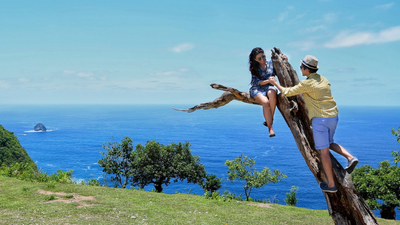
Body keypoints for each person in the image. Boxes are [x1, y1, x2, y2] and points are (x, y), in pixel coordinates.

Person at [269, 55, 358, 193]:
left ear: (306, 69)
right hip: (333, 116)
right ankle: (350, 157)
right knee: (329, 142)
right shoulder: (323, 79)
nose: (300, 69)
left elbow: (287, 92)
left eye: (301, 67)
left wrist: (275, 83)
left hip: (320, 120)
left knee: (324, 152)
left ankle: (331, 185)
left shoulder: (307, 84)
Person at [248, 47, 278, 137]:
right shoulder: (254, 68)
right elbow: (257, 82)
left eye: (263, 56)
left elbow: (280, 67)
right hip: (257, 88)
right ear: (255, 60)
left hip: (269, 87)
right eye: (259, 58)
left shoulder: (271, 64)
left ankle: (269, 119)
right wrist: (269, 80)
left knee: (272, 93)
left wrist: (284, 59)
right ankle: (270, 127)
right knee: (265, 102)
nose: (262, 59)